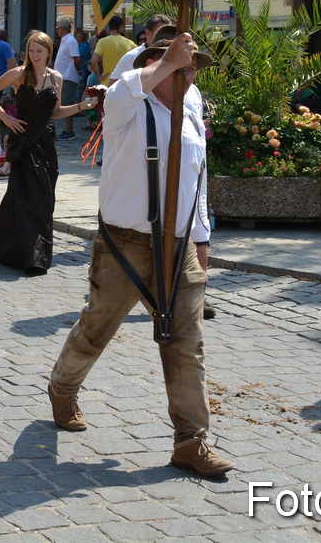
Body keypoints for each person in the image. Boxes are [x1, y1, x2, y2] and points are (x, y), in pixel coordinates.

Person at [48, 28, 228, 477]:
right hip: (125, 243)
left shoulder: (190, 108)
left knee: (186, 342)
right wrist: (167, 62)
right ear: (153, 64)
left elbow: (198, 179)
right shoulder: (127, 101)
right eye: (181, 64)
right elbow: (123, 90)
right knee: (97, 327)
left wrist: (201, 237)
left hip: (179, 246)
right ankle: (62, 387)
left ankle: (190, 441)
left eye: (192, 67)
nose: (188, 73)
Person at [0, 31, 93, 274]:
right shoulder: (19, 74)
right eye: (31, 50)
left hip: (46, 144)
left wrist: (81, 106)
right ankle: (33, 257)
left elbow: (55, 112)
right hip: (24, 143)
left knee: (43, 197)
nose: (34, 55)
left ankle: (9, 242)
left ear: (48, 52)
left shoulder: (56, 77)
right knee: (28, 197)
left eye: (39, 51)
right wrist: (6, 118)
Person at [55, 19, 83, 140]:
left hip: (68, 76)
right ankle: (67, 130)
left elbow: (77, 58)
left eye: (58, 28)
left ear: (62, 29)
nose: (57, 30)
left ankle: (69, 131)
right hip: (63, 76)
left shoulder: (70, 40)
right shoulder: (65, 40)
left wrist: (78, 71)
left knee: (68, 104)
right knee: (65, 103)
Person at [89, 14, 135, 83]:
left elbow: (93, 61)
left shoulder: (102, 42)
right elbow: (139, 58)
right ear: (120, 27)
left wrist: (99, 76)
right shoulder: (130, 43)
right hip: (124, 82)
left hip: (108, 82)